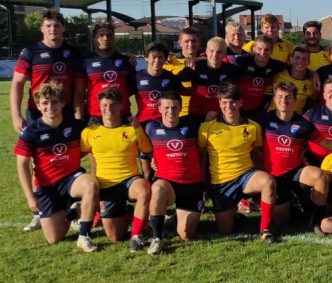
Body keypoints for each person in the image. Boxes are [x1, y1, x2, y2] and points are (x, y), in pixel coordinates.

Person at [14, 83, 101, 251]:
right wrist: (30, 197)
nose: (50, 107)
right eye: (45, 103)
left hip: (72, 179)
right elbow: (22, 164)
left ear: (62, 103)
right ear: (38, 106)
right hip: (48, 188)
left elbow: (92, 147)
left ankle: (84, 237)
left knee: (91, 185)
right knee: (54, 238)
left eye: (54, 102)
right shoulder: (31, 132)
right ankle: (73, 211)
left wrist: (95, 173)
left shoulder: (75, 126)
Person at [197, 83, 278, 242]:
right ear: (219, 103)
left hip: (246, 176)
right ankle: (235, 214)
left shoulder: (253, 127)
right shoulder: (207, 128)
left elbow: (258, 153)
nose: (229, 106)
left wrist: (263, 173)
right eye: (224, 102)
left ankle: (265, 229)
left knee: (268, 181)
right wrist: (203, 184)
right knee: (225, 230)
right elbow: (201, 156)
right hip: (222, 182)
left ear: (241, 102)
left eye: (233, 102)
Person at [81, 89, 152, 245]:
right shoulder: (89, 132)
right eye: (104, 105)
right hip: (106, 185)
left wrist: (148, 176)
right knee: (114, 236)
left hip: (130, 179)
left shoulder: (132, 128)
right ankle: (129, 213)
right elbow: (75, 156)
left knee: (144, 189)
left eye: (113, 105)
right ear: (99, 107)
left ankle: (136, 236)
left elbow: (147, 151)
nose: (108, 109)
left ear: (121, 106)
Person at [258, 82, 332, 227]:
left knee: (320, 176)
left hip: (296, 173)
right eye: (279, 97)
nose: (283, 101)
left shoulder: (303, 124)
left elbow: (326, 144)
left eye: (287, 97)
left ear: (294, 100)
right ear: (274, 99)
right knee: (282, 223)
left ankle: (316, 222)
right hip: (273, 178)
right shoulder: (263, 121)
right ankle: (297, 203)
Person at [11, 9, 85, 134]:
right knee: (38, 152)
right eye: (48, 26)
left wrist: (78, 115)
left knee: (67, 151)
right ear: (42, 29)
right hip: (37, 111)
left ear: (63, 28)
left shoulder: (74, 53)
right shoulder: (30, 52)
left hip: (66, 110)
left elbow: (79, 90)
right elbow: (17, 83)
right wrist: (16, 116)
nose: (52, 29)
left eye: (57, 25)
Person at [145, 92, 205, 242]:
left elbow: (204, 150)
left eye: (174, 107)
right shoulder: (151, 128)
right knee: (157, 188)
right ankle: (156, 238)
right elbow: (142, 149)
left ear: (180, 108)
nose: (170, 111)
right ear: (159, 108)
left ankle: (175, 218)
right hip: (167, 183)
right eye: (166, 107)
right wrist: (152, 162)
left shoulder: (192, 125)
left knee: (186, 235)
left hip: (191, 184)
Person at [80, 24, 136, 121]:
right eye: (101, 35)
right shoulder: (86, 61)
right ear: (94, 39)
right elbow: (79, 93)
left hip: (122, 115)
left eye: (109, 35)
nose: (105, 38)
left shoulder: (127, 61)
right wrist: (78, 118)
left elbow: (133, 89)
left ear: (114, 38)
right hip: (95, 116)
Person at [184, 37, 239, 123]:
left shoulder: (231, 70)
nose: (215, 55)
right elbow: (175, 81)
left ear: (225, 53)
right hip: (197, 114)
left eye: (219, 52)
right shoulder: (195, 66)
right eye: (211, 51)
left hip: (221, 115)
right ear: (206, 51)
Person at [231, 35, 287, 117]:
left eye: (267, 49)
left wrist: (312, 75)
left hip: (259, 110)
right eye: (259, 49)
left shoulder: (276, 65)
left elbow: (294, 66)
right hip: (237, 108)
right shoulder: (241, 60)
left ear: (271, 51)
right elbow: (221, 59)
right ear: (253, 49)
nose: (263, 53)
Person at [135, 42, 186, 125]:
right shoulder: (136, 77)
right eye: (154, 57)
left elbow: (185, 93)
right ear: (146, 57)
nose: (157, 61)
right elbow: (124, 97)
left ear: (165, 59)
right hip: (143, 123)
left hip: (165, 125)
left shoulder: (171, 78)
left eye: (160, 57)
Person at [164, 27, 202, 117]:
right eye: (186, 41)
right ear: (180, 43)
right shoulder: (169, 62)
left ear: (199, 42)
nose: (190, 44)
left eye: (194, 41)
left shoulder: (207, 62)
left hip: (202, 113)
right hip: (178, 115)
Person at [270, 45, 317, 114]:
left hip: (295, 121)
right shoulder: (278, 76)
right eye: (297, 58)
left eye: (304, 59)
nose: (300, 61)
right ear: (291, 59)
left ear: (308, 62)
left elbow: (313, 103)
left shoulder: (311, 83)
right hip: (273, 117)